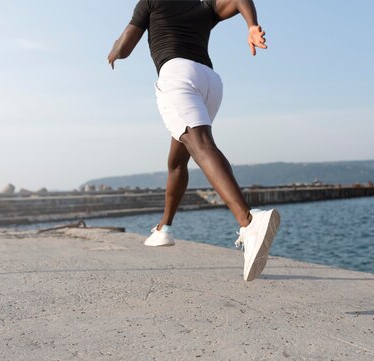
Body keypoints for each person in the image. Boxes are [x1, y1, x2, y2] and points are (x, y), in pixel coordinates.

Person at [107, 0, 280, 281]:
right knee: (177, 160)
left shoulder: (150, 1)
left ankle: (249, 222)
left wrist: (113, 50)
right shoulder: (203, 2)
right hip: (209, 81)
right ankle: (164, 228)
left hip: (177, 75)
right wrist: (251, 25)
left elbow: (125, 48)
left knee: (200, 144)